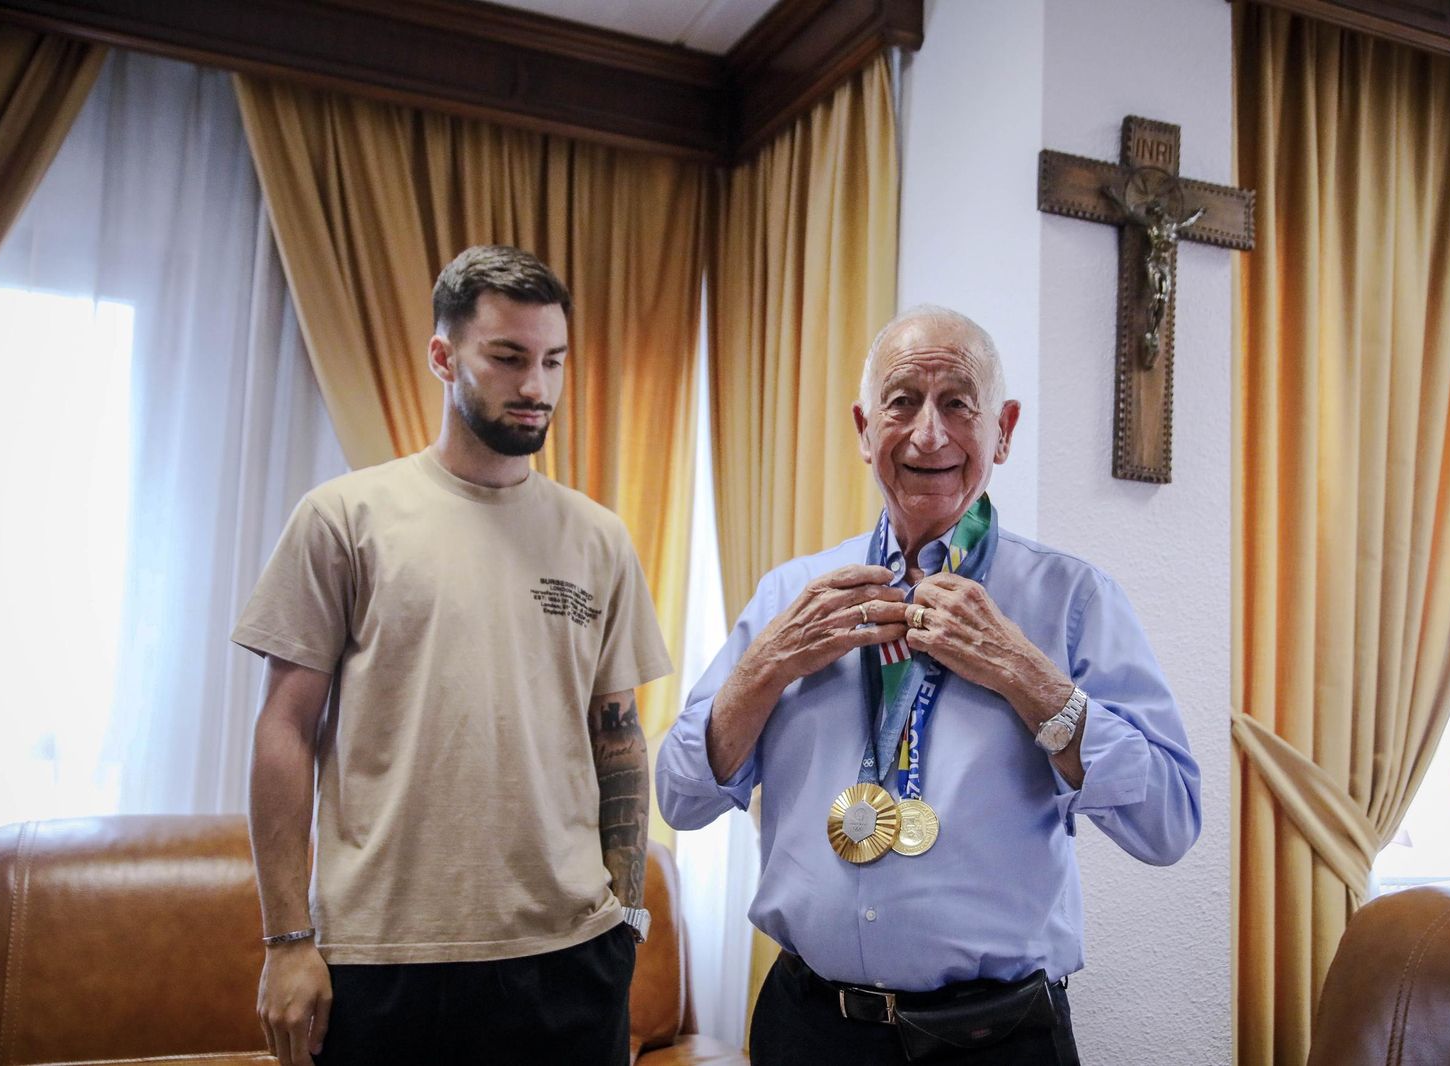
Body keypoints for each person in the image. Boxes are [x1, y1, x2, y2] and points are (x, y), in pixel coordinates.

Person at [657, 305, 1201, 1065]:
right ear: (862, 427)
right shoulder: (792, 595)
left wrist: (1030, 679)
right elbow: (680, 797)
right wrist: (766, 665)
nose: (928, 434)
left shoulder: (1073, 600)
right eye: (902, 401)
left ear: (1003, 428)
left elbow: (1169, 824)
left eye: (957, 404)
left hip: (994, 1040)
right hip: (808, 1027)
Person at [234, 245, 671, 1066]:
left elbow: (619, 741)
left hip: (569, 961)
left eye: (553, 360)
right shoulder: (346, 517)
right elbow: (284, 729)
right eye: (507, 357)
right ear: (444, 356)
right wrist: (287, 939)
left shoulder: (600, 538)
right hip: (385, 962)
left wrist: (625, 923)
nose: (536, 386)